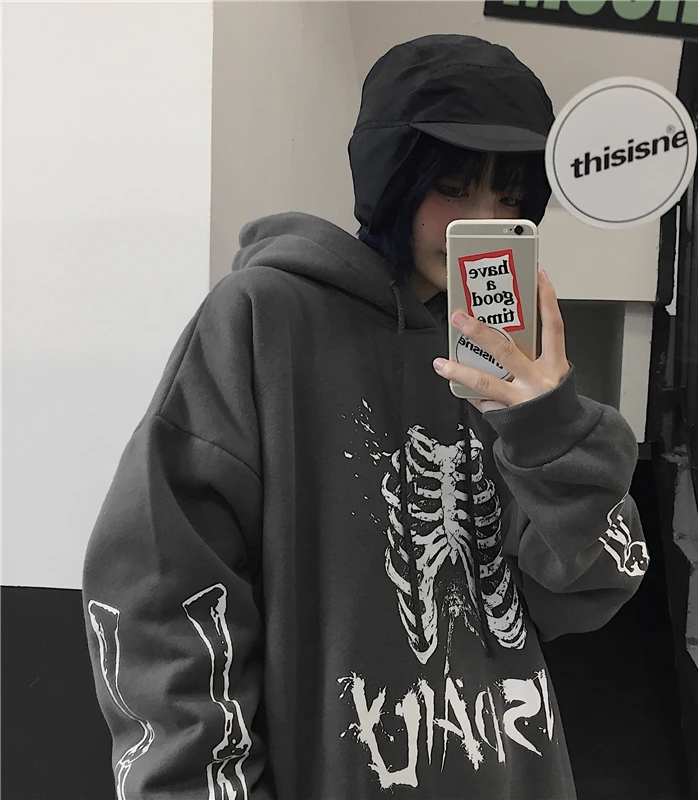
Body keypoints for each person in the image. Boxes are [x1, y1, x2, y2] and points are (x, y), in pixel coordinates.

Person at [83, 34, 650, 800]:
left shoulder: (509, 354)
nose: (482, 219)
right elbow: (163, 590)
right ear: (392, 177)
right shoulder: (263, 319)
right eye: (453, 186)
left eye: (510, 197)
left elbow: (591, 590)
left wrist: (549, 431)